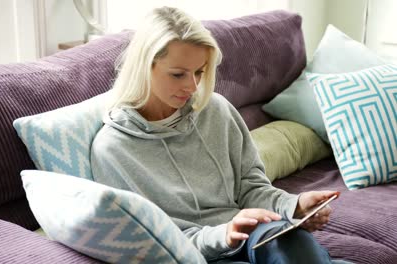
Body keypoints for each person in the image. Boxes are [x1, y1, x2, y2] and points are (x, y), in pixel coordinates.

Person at [91, 6, 342, 264]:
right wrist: (224, 234)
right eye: (178, 74)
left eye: (199, 71)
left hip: (254, 235)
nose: (192, 86)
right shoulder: (112, 149)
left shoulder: (216, 110)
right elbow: (150, 241)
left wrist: (295, 206)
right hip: (193, 254)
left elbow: (251, 187)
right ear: (144, 66)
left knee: (286, 241)